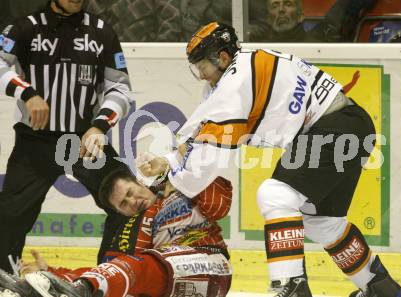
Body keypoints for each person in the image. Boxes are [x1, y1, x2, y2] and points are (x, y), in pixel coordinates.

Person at [139, 22, 401, 297]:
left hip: (333, 129)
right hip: (351, 125)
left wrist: (172, 176)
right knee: (324, 222)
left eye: (202, 66)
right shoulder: (243, 67)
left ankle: (290, 286)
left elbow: (205, 164)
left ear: (223, 58)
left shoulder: (234, 85)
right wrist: (170, 160)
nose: (202, 75)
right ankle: (380, 288)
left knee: (275, 194)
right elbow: (202, 130)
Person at [0, 0, 133, 274]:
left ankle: (110, 275)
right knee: (10, 216)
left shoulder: (102, 32)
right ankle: (3, 276)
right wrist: (27, 93)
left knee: (128, 202)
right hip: (35, 142)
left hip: (82, 142)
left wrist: (99, 126)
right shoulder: (25, 28)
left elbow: (120, 89)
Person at [0, 169, 233, 297]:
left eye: (131, 192)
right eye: (123, 204)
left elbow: (220, 204)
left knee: (140, 265)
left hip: (210, 264)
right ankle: (45, 289)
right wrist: (53, 273)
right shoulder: (131, 231)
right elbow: (108, 270)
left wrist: (180, 173)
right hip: (175, 286)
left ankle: (77, 292)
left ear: (140, 182)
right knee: (124, 271)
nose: (132, 202)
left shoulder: (180, 187)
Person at [248, 0, 377, 42]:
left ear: (301, 15)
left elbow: (346, 8)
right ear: (268, 19)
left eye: (288, 4)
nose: (281, 9)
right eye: (275, 6)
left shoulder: (319, 39)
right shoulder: (256, 46)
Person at [85, 0, 182, 42]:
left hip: (145, 62)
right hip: (107, 65)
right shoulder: (93, 3)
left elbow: (171, 21)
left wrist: (155, 53)